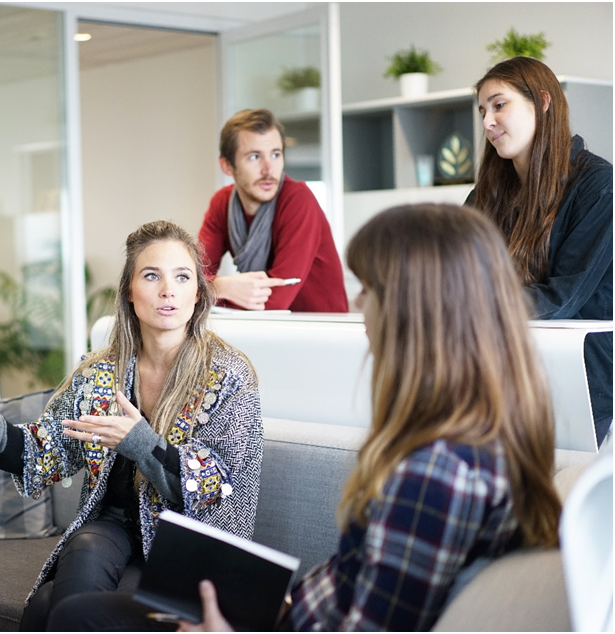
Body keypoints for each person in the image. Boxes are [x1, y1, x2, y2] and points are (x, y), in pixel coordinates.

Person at [45, 203, 562, 632]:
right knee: (67, 610)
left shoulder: (437, 473)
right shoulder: (470, 441)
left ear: (415, 311)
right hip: (288, 613)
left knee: (76, 618)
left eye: (371, 290)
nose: (359, 306)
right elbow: (361, 584)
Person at [0, 220, 263, 631]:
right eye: (151, 275)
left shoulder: (228, 374)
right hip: (114, 527)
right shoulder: (100, 372)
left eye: (182, 276)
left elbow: (216, 486)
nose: (168, 289)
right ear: (130, 293)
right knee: (83, 547)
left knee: (48, 606)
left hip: (190, 544)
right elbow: (41, 451)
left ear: (198, 294)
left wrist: (140, 443)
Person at [466, 56, 613, 447]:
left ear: (543, 102)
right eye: (483, 111)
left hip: (582, 377)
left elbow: (562, 297)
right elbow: (455, 273)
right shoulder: (485, 196)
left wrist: (466, 305)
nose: (487, 122)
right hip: (504, 367)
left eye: (499, 105)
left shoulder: (599, 186)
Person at [197, 108, 347, 312]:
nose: (269, 169)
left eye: (275, 154)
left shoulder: (298, 200)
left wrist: (208, 290)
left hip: (320, 332)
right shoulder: (222, 203)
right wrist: (221, 286)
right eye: (254, 157)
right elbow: (190, 278)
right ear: (227, 166)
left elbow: (275, 301)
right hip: (265, 330)